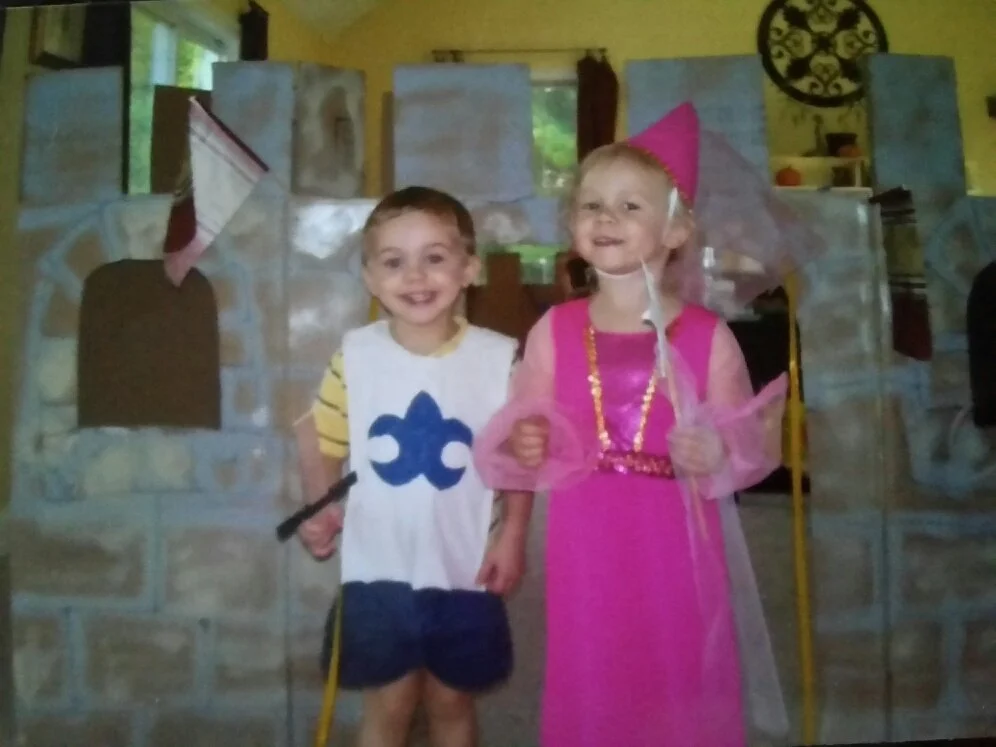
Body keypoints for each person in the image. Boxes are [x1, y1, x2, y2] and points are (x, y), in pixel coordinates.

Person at [475, 102, 801, 747]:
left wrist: (715, 451)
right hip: (585, 539)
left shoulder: (708, 337)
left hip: (675, 539)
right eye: (591, 205)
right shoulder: (553, 330)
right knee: (592, 667)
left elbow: (747, 441)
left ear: (676, 229)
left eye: (630, 206)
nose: (606, 218)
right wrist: (525, 455)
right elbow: (520, 432)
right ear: (572, 224)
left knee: (675, 671)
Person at [298, 186, 533, 747]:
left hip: (465, 563)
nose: (415, 277)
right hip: (382, 566)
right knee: (390, 702)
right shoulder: (355, 357)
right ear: (370, 278)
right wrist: (321, 505)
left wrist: (513, 536)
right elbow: (320, 436)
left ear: (469, 268)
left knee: (452, 702)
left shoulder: (500, 360)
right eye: (393, 262)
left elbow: (518, 461)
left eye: (435, 257)